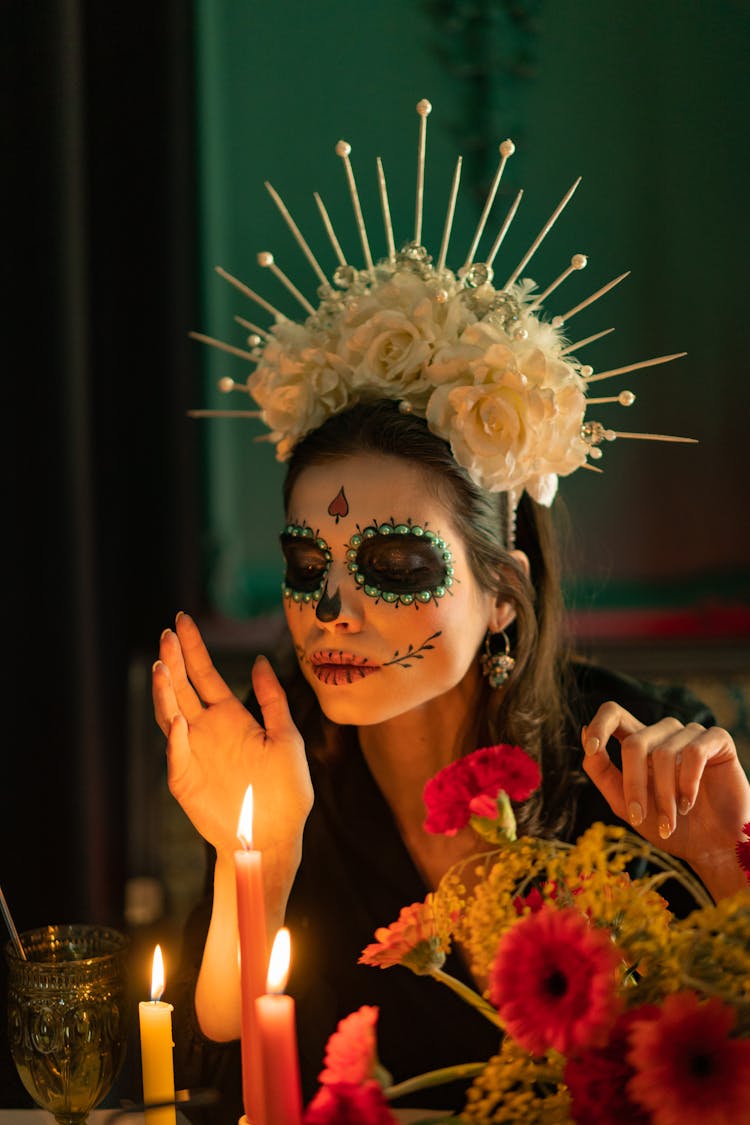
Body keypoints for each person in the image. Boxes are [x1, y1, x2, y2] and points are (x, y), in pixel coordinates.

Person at [151, 103, 750, 1122]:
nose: (331, 607)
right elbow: (222, 1074)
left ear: (504, 594)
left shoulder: (634, 776)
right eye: (306, 565)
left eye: (389, 562)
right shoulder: (285, 775)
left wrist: (731, 877)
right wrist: (262, 853)